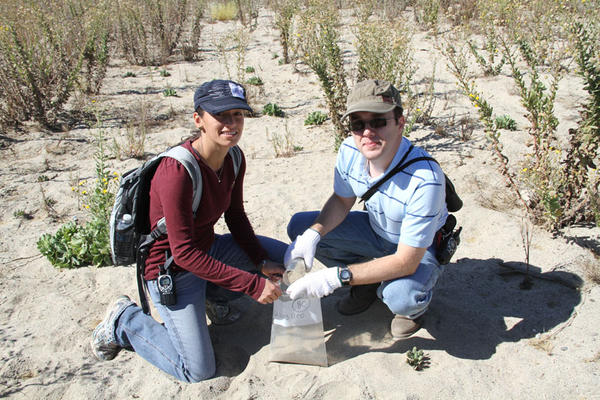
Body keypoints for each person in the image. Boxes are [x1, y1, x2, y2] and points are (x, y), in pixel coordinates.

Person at [90, 79, 286, 382]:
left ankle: (212, 296)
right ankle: (123, 321)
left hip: (206, 250)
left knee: (282, 257)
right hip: (170, 270)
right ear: (199, 120)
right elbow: (182, 254)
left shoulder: (234, 157)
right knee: (197, 370)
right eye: (220, 115)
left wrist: (260, 261)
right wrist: (253, 285)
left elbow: (235, 215)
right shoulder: (177, 171)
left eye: (237, 114)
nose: (231, 123)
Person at [284, 79, 448, 339]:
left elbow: (406, 260)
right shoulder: (350, 150)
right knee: (299, 227)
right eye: (358, 124)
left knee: (401, 296)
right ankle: (366, 284)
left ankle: (412, 310)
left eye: (378, 121)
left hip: (417, 248)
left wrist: (337, 277)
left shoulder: (425, 178)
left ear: (400, 122)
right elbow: (341, 200)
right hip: (376, 230)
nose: (367, 133)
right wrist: (314, 234)